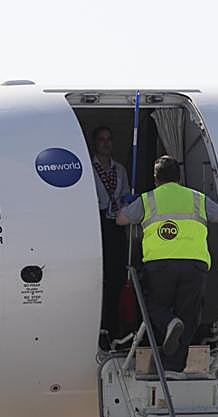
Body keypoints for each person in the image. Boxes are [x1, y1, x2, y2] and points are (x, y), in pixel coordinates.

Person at [116, 155, 218, 371]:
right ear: (179, 177)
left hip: (160, 264)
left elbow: (121, 219)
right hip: (195, 264)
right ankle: (174, 367)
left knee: (154, 305)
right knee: (188, 315)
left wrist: (127, 205)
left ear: (156, 178)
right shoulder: (196, 198)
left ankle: (168, 322)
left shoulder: (148, 199)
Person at [90, 126, 133, 351]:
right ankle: (100, 326)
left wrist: (126, 204)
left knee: (117, 277)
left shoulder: (120, 169)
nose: (105, 143)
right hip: (98, 224)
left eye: (109, 139)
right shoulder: (90, 168)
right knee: (101, 277)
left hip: (116, 224)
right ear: (95, 143)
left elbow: (124, 194)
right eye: (101, 139)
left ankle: (114, 326)